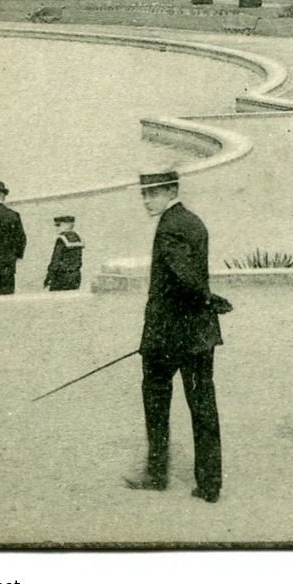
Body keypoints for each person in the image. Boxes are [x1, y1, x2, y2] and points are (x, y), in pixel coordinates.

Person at [125, 171, 228, 503]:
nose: (145, 201)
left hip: (167, 336)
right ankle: (210, 484)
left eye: (151, 194)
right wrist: (209, 301)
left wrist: (207, 298)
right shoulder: (194, 221)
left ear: (170, 191)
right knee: (203, 406)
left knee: (156, 400)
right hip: (199, 334)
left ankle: (156, 475)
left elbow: (182, 274)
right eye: (143, 194)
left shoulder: (169, 226)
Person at [42, 215, 84, 291]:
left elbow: (55, 260)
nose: (56, 228)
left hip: (61, 276)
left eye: (58, 225)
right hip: (76, 275)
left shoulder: (61, 239)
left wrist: (49, 277)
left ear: (65, 225)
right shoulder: (78, 238)